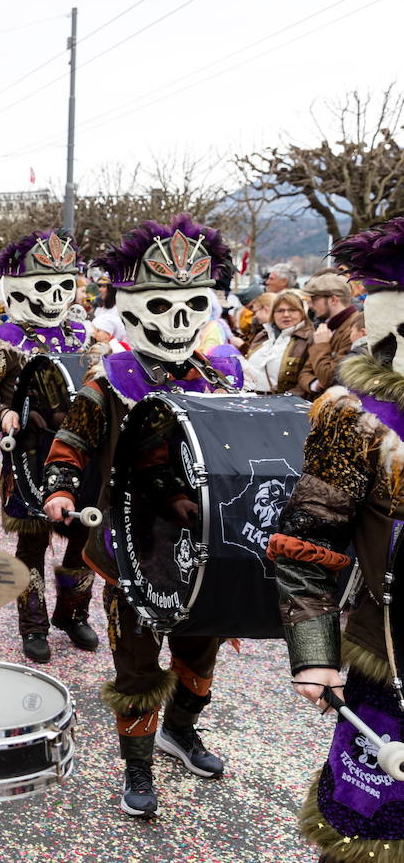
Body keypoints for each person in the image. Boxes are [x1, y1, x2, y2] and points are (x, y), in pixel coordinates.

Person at [42, 214, 241, 818]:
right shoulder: (108, 381)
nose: (178, 320)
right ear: (131, 306)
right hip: (127, 540)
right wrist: (60, 493)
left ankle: (181, 730)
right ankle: (139, 766)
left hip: (199, 542)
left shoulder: (218, 374)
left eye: (191, 305)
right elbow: (70, 443)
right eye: (161, 303)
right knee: (135, 662)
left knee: (199, 653)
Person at [270, 216, 404, 862]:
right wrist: (314, 652)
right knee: (368, 844)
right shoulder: (355, 417)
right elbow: (305, 546)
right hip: (390, 670)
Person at [0, 229, 95, 663]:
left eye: (64, 285)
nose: (55, 296)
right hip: (27, 455)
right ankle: (33, 624)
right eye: (44, 286)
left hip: (81, 453)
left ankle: (73, 614)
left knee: (82, 538)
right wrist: (2, 414)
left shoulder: (83, 333)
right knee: (32, 545)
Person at [304, 270, 365, 398]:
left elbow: (330, 378)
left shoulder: (355, 329)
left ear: (333, 300)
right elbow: (304, 372)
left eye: (314, 299)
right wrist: (314, 383)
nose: (310, 305)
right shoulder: (326, 326)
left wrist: (322, 345)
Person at [243, 291, 313, 395]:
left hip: (284, 405)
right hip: (250, 400)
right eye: (280, 311)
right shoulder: (263, 335)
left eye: (292, 310)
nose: (286, 315)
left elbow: (307, 378)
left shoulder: (309, 339)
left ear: (302, 313)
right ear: (273, 314)